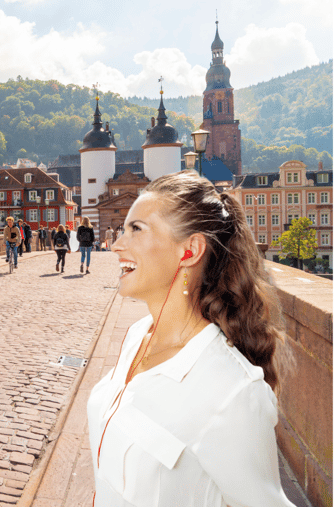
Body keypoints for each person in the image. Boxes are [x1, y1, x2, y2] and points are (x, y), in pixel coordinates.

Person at [87, 170, 293, 506]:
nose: (116, 245)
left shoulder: (233, 392)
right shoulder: (138, 336)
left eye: (136, 230)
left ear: (190, 250)